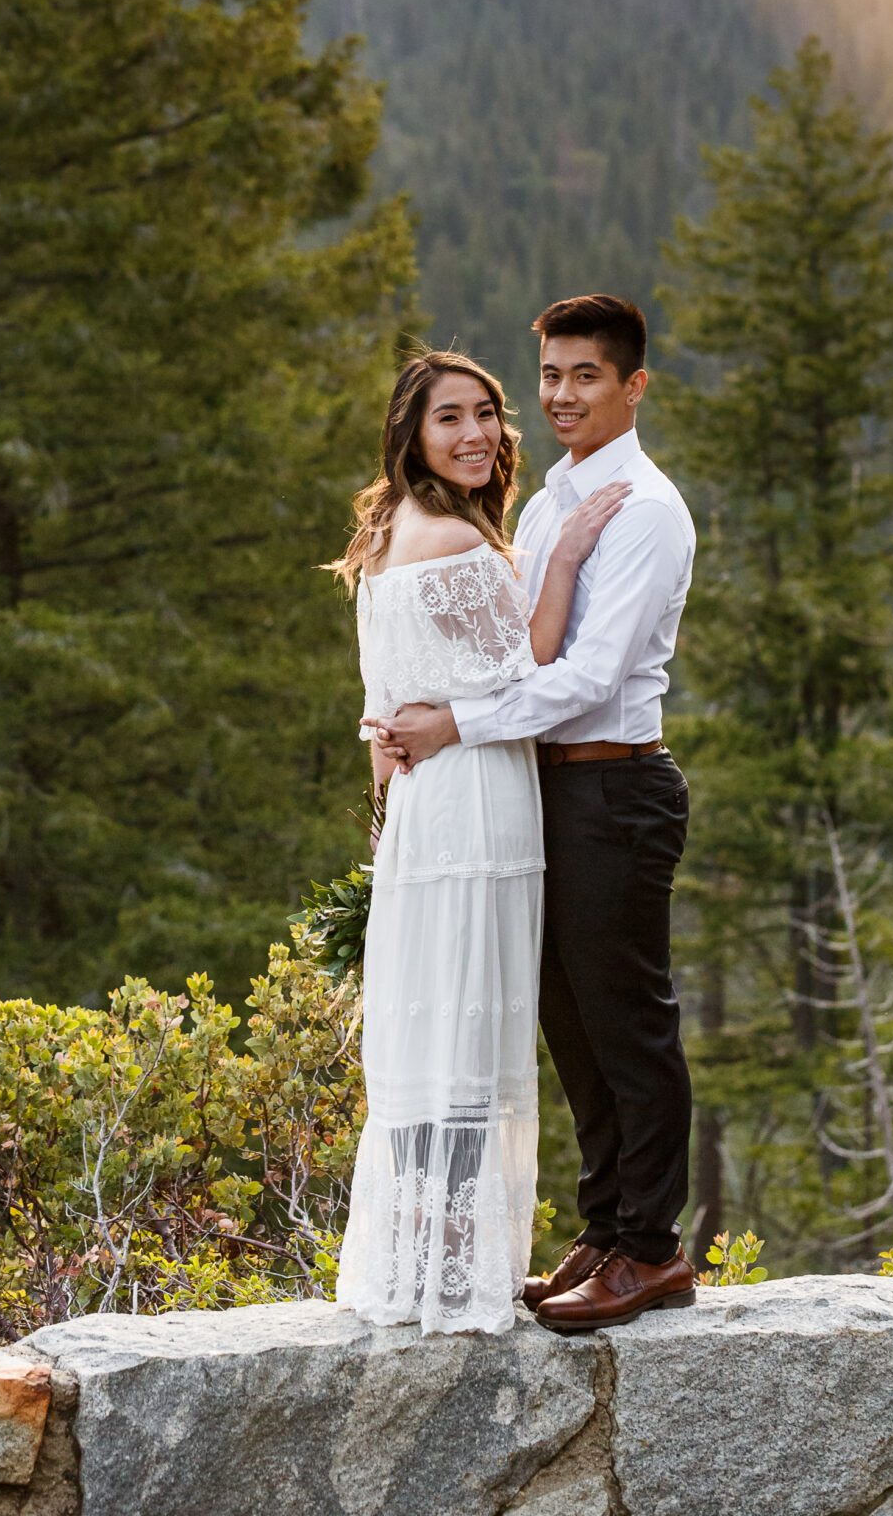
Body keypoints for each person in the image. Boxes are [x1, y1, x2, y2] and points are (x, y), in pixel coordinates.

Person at [378, 295, 698, 1333]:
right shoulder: (553, 498)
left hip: (615, 784)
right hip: (545, 786)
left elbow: (587, 674)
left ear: (633, 385)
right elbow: (518, 644)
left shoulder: (645, 509)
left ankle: (652, 1248)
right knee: (570, 1023)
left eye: (586, 375)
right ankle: (606, 1225)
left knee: (628, 1022)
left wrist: (452, 725)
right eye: (552, 375)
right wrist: (406, 718)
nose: (562, 393)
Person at [333, 349, 625, 1336]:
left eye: (488, 414)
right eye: (450, 417)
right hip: (476, 801)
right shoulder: (452, 539)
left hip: (423, 808)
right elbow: (528, 665)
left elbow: (383, 714)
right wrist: (572, 552)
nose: (477, 433)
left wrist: (389, 822)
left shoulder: (385, 532)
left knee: (435, 1017)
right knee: (469, 1017)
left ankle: (424, 1257)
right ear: (412, 432)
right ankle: (456, 1267)